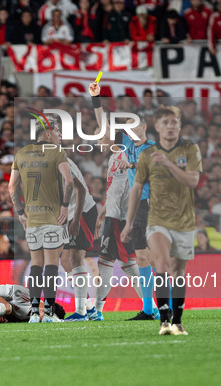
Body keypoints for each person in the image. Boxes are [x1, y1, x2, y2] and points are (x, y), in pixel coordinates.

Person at [122, 105, 202, 336]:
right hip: (150, 211)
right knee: (159, 264)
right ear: (158, 127)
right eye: (165, 123)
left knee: (176, 269)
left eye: (173, 122)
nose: (170, 127)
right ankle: (164, 319)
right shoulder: (142, 149)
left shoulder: (186, 150)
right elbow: (137, 186)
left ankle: (176, 319)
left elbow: (192, 181)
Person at [88, 84, 148, 322]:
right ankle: (149, 307)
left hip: (121, 218)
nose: (100, 138)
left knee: (113, 262)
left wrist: (96, 100)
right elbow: (115, 189)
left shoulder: (126, 153)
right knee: (124, 263)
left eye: (102, 136)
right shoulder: (115, 156)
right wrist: (103, 212)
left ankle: (99, 311)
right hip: (115, 215)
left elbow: (131, 186)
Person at [9, 117, 74, 323]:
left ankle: (35, 313)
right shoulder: (56, 152)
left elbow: (11, 188)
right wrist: (64, 206)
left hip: (32, 219)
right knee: (52, 265)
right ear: (47, 134)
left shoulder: (21, 153)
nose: (58, 136)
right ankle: (50, 311)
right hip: (52, 217)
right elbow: (69, 182)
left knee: (36, 265)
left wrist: (20, 212)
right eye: (56, 132)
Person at [61, 155, 98, 322]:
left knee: (76, 259)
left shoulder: (61, 163)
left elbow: (81, 190)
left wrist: (76, 220)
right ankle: (90, 308)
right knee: (66, 261)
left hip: (81, 213)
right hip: (69, 216)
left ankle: (81, 311)